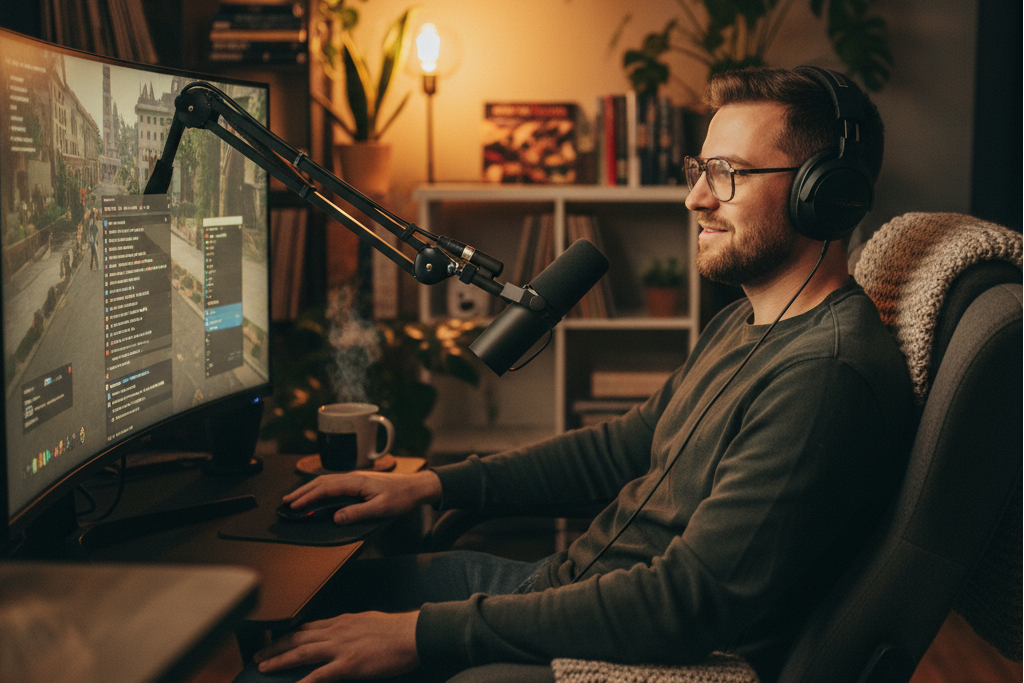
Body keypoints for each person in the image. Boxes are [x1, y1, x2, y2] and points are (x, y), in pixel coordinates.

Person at [240, 66, 915, 683]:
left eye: (727, 173)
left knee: (285, 664)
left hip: (606, 640)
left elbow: (684, 603)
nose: (695, 199)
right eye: (697, 169)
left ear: (823, 194)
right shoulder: (748, 321)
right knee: (303, 604)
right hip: (559, 588)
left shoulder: (824, 377)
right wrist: (435, 483)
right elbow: (620, 446)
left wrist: (424, 633)